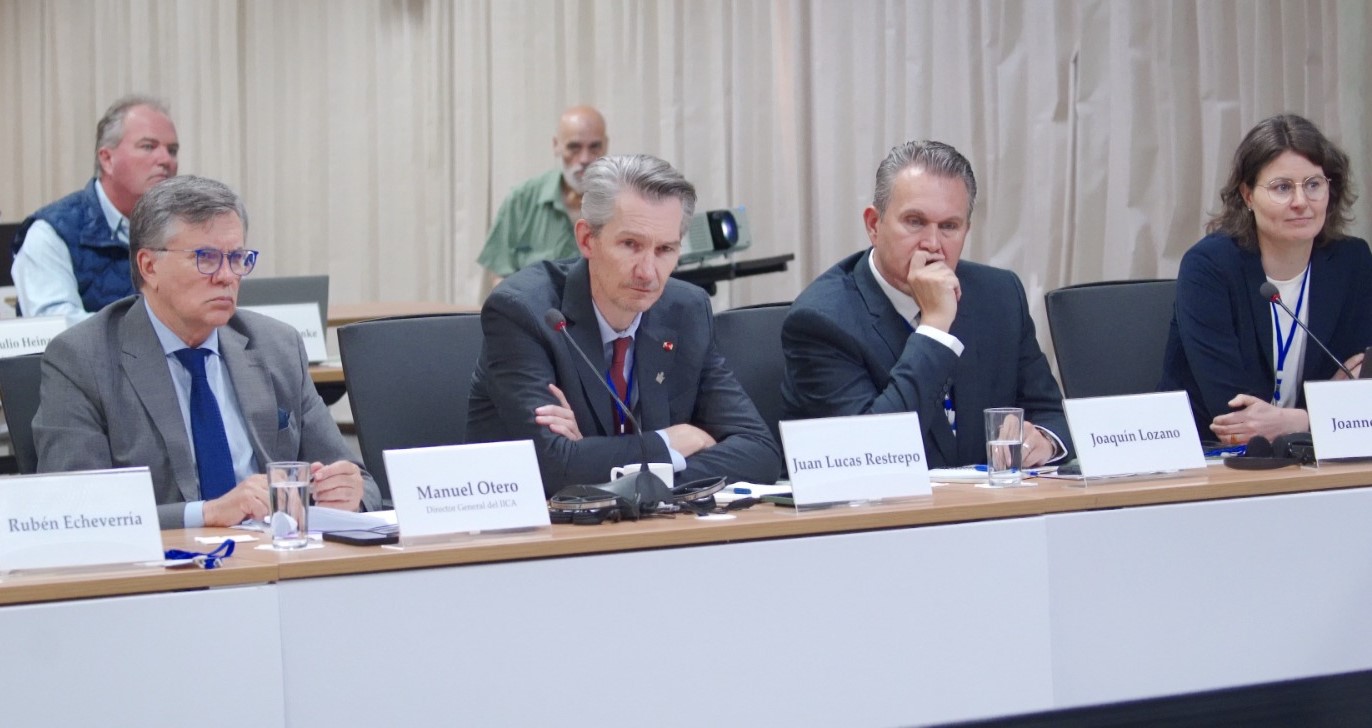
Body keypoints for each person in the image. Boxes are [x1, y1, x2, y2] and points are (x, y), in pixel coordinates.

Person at [33, 175, 381, 529]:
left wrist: (348, 494)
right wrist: (207, 514)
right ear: (149, 266)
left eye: (237, 258)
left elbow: (361, 483)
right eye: (207, 258)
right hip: (164, 572)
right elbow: (74, 510)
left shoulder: (276, 346)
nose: (227, 276)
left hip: (275, 560)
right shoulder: (82, 358)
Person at [467, 154, 782, 494]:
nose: (648, 272)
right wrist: (671, 442)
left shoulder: (685, 311)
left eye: (665, 249)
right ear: (588, 239)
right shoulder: (526, 313)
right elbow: (554, 467)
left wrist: (617, 470)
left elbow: (759, 453)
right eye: (630, 245)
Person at [781, 140, 1071, 468]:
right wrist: (934, 327)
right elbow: (871, 454)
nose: (933, 244)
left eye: (949, 226)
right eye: (915, 221)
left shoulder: (999, 295)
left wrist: (1044, 439)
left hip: (988, 511)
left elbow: (1051, 413)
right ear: (874, 225)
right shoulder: (822, 320)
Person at [1160, 114, 1372, 443]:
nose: (1301, 202)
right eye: (1282, 188)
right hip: (1213, 460)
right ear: (1247, 195)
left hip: (1317, 454)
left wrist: (1298, 420)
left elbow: (1363, 390)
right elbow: (1234, 417)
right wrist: (1330, 410)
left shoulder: (1350, 261)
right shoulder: (1209, 268)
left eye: (1314, 185)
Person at [12, 95, 179, 320]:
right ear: (107, 159)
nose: (165, 159)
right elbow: (57, 330)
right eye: (148, 146)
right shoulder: (51, 233)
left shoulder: (179, 230)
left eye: (172, 150)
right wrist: (151, 335)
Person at [477, 105, 608, 286]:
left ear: (606, 146)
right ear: (556, 146)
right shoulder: (522, 200)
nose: (585, 159)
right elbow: (500, 278)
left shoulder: (621, 202)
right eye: (574, 148)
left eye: (594, 147)